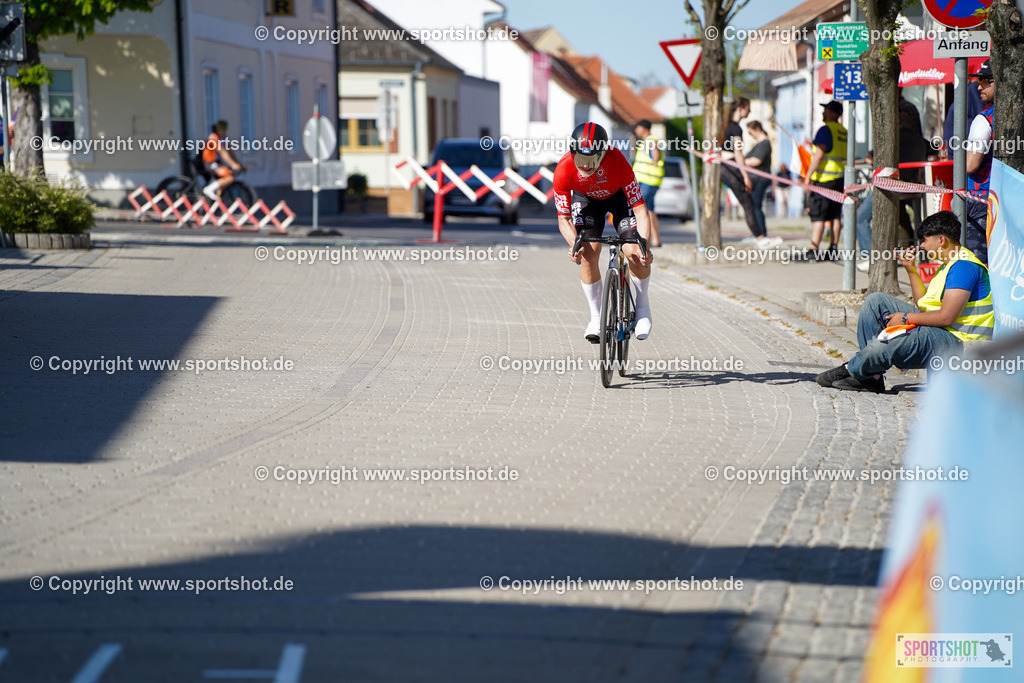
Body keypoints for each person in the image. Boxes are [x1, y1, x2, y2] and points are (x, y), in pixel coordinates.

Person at [816, 211, 994, 393]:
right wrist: (911, 270)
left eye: (925, 240)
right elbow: (924, 305)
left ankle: (851, 369)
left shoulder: (963, 267)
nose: (922, 246)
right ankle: (872, 377)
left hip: (959, 341)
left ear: (941, 240)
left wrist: (906, 318)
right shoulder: (948, 263)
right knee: (875, 301)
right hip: (942, 331)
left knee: (886, 344)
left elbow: (946, 318)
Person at [554, 121, 654, 343]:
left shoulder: (617, 161)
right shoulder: (563, 169)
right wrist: (574, 246)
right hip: (588, 201)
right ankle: (596, 317)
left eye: (591, 160)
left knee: (633, 251)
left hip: (620, 200)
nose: (585, 166)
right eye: (580, 159)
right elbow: (563, 218)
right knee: (588, 253)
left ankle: (643, 307)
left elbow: (640, 210)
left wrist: (644, 244)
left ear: (603, 154)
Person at [719, 98, 779, 248]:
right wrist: (746, 177)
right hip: (731, 167)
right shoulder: (736, 129)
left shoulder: (725, 126)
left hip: (723, 167)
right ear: (740, 109)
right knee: (748, 204)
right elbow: (738, 153)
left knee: (747, 203)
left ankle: (759, 236)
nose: (750, 111)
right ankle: (760, 238)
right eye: (748, 108)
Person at [803, 100, 848, 259]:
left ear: (833, 113)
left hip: (824, 179)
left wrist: (808, 178)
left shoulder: (825, 130)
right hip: (839, 179)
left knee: (819, 215)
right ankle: (833, 248)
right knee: (835, 215)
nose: (823, 113)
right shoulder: (843, 131)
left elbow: (819, 155)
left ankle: (813, 250)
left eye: (826, 110)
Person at [964, 58, 994, 264]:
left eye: (985, 81)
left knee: (978, 263)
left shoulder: (983, 120)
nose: (978, 86)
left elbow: (970, 165)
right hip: (1011, 196)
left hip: (981, 199)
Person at [632, 119, 664, 248]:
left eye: (637, 127)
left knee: (641, 209)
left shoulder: (650, 140)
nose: (636, 130)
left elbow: (655, 156)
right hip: (648, 181)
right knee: (649, 210)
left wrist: (655, 156)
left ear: (644, 128)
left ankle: (645, 239)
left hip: (648, 181)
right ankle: (655, 240)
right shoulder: (646, 141)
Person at [743, 120, 775, 242]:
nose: (751, 135)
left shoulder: (764, 143)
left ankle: (760, 234)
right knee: (754, 206)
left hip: (760, 179)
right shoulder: (759, 144)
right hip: (756, 179)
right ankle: (758, 233)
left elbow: (756, 161)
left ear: (757, 129)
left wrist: (740, 162)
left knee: (755, 206)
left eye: (751, 132)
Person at [202, 120, 245, 201]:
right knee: (230, 177)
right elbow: (223, 152)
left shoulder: (223, 139)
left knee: (221, 186)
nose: (223, 131)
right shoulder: (213, 137)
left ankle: (216, 205)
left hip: (218, 163)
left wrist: (238, 164)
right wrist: (233, 164)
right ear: (217, 129)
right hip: (210, 163)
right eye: (221, 129)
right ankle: (208, 189)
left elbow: (230, 152)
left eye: (225, 129)